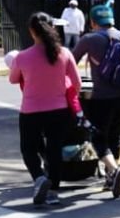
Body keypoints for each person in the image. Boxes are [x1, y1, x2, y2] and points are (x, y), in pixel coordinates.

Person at [10, 13, 79, 206]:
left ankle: (39, 178)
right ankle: (53, 191)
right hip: (59, 110)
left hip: (30, 111)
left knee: (28, 148)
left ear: (32, 31)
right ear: (52, 27)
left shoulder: (22, 57)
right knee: (54, 149)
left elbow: (13, 79)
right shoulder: (65, 53)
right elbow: (77, 83)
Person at [71, 4, 120, 198]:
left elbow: (70, 61)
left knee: (98, 137)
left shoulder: (89, 39)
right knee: (115, 136)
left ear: (92, 22)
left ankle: (114, 171)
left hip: (101, 97)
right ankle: (110, 178)